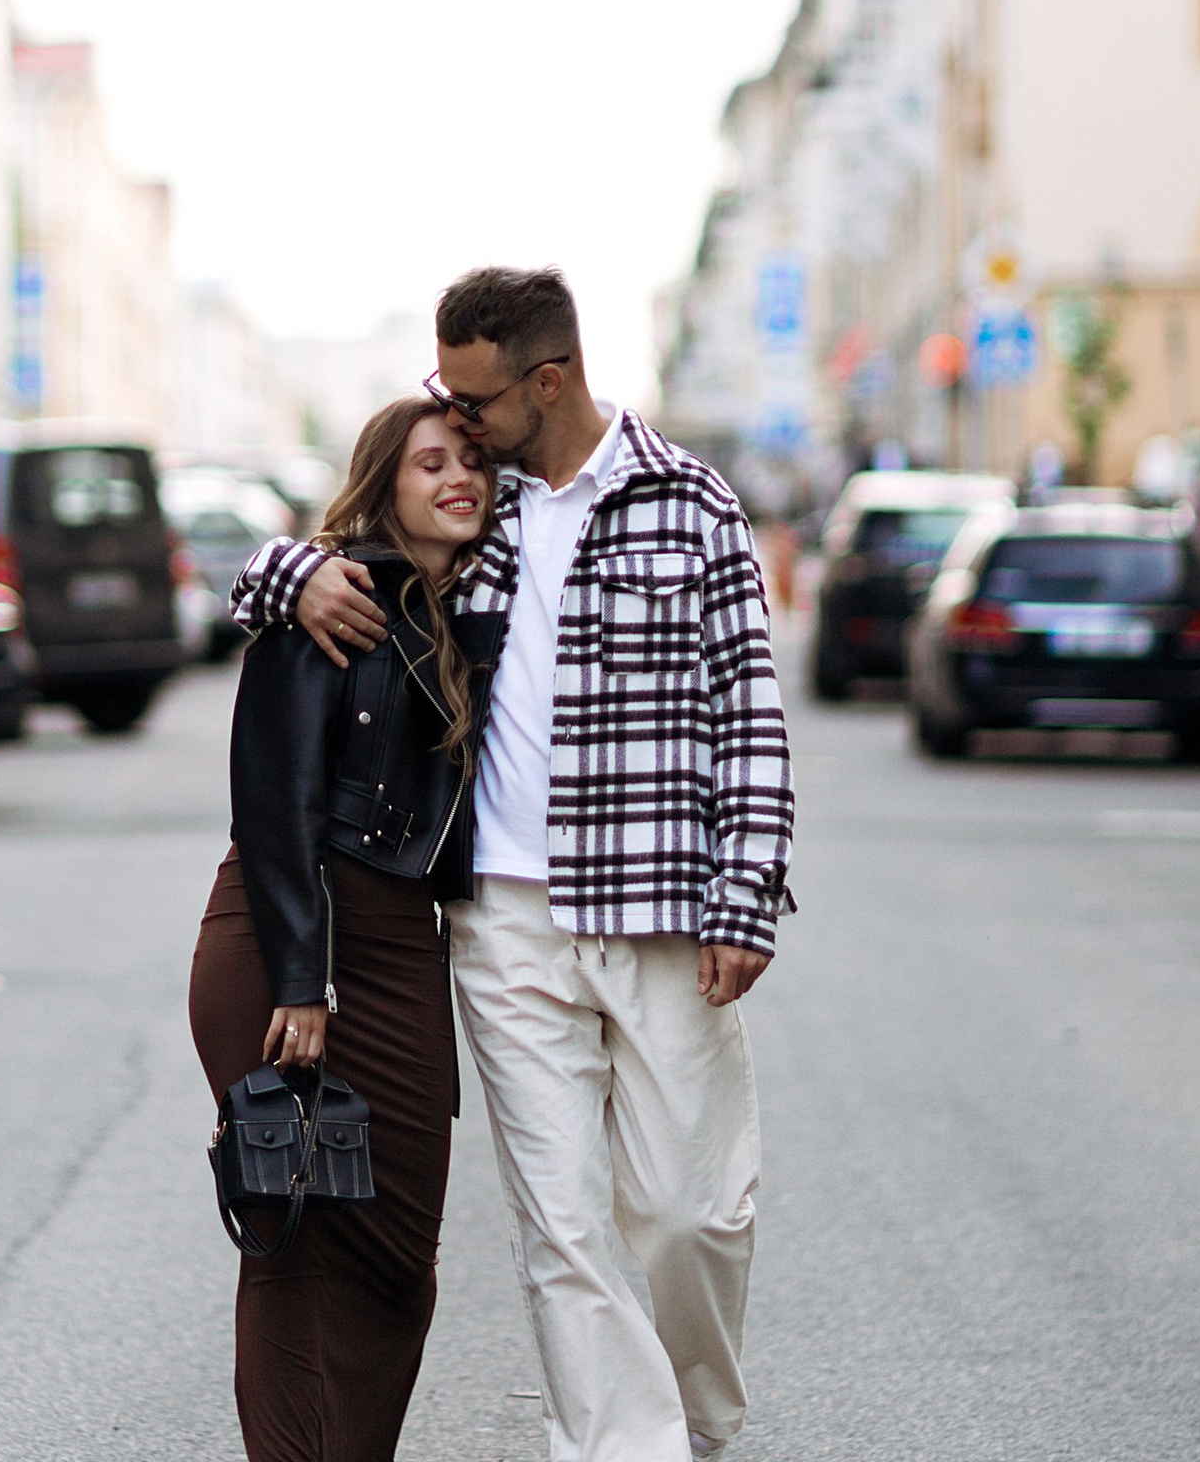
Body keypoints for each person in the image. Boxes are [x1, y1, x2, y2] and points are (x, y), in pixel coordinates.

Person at [235, 267, 793, 1462]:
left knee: (694, 1214)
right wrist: (287, 572)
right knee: (564, 1225)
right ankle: (622, 1446)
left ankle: (692, 1421)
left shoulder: (691, 503)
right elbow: (341, 550)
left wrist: (745, 892)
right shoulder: (472, 523)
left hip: (657, 912)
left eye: (475, 398)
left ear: (549, 382)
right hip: (501, 922)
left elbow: (748, 712)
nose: (458, 420)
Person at [188, 399, 503, 1462]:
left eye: (471, 460)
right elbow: (272, 808)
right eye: (430, 461)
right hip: (287, 947)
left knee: (397, 1257)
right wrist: (300, 977)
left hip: (401, 948)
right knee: (291, 1240)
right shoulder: (334, 596)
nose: (457, 475)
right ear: (384, 482)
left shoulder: (474, 604)